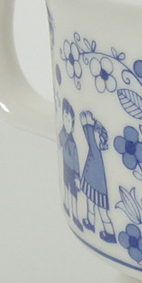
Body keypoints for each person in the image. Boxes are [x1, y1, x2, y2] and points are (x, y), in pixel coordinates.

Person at [79, 111, 116, 243]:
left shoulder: (96, 152)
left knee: (102, 211)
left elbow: (91, 141)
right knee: (91, 205)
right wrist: (89, 125)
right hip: (92, 183)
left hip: (98, 187)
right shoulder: (95, 152)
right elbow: (90, 141)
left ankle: (110, 233)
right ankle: (90, 222)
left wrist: (88, 125)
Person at [58, 99, 82, 231]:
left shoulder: (73, 144)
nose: (67, 123)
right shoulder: (64, 136)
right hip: (67, 167)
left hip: (73, 171)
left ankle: (76, 215)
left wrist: (78, 176)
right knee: (67, 191)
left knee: (74, 195)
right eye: (65, 119)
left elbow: (77, 162)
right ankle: (69, 209)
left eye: (69, 120)